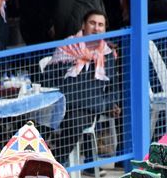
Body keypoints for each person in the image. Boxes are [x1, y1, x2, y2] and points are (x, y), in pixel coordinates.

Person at [42, 9, 121, 162]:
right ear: (83, 25)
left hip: (87, 110)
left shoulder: (108, 53)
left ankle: (54, 164)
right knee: (37, 125)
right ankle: (32, 162)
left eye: (100, 25)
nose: (96, 28)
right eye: (92, 23)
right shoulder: (67, 46)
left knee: (75, 123)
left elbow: (114, 86)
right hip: (63, 103)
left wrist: (108, 104)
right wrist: (100, 104)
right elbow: (49, 78)